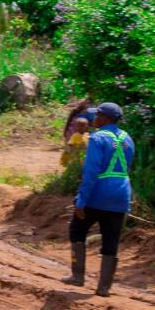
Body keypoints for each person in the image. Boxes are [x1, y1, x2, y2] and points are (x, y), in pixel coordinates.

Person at [62, 102, 135, 297]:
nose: (94, 118)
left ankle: (78, 276)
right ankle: (104, 288)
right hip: (122, 192)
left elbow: (91, 171)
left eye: (97, 115)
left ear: (105, 118)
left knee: (77, 229)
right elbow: (127, 167)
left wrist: (81, 200)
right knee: (111, 238)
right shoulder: (127, 138)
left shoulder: (97, 138)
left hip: (99, 191)